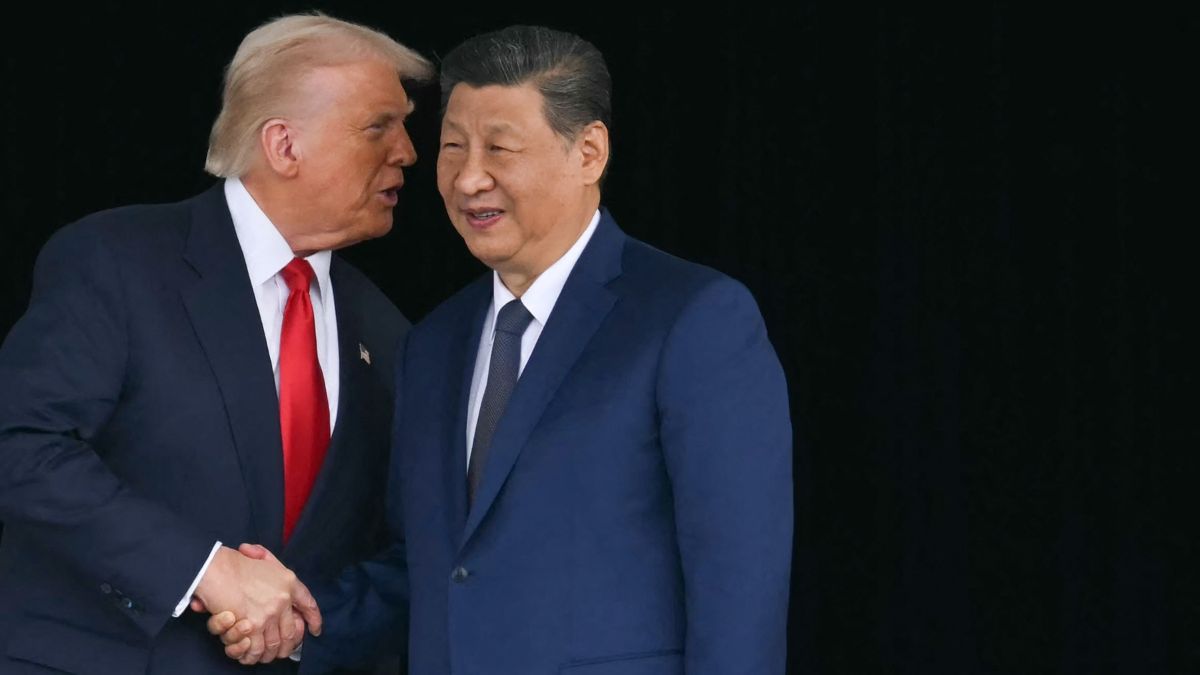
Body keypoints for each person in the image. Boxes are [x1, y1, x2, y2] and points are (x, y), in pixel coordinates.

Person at [216, 23, 793, 674]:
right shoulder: (431, 344)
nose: (468, 180)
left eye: (500, 148)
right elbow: (428, 564)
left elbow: (738, 581)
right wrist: (297, 626)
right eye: (453, 147)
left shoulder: (691, 319)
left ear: (589, 153)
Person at [0, 12, 431, 674]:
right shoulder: (117, 261)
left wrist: (299, 633)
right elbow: (19, 445)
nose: (407, 151)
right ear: (284, 145)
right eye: (379, 125)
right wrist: (202, 568)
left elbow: (406, 548)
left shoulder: (388, 331)